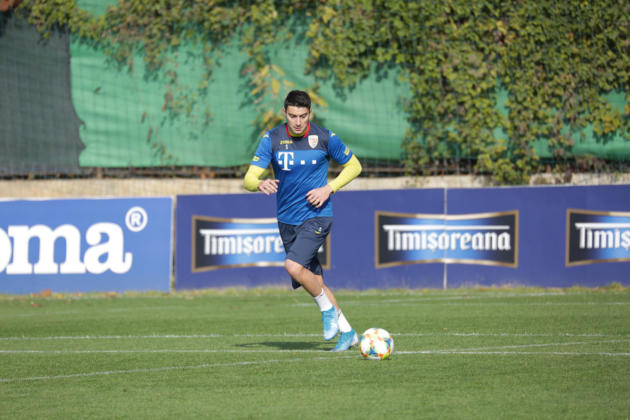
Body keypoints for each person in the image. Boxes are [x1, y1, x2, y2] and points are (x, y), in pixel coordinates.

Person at [243, 90, 362, 351]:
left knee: (293, 266)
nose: (298, 121)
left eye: (303, 116)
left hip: (317, 216)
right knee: (314, 280)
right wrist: (259, 184)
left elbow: (355, 166)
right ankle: (348, 332)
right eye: (293, 116)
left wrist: (329, 188)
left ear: (310, 113)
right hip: (287, 220)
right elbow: (248, 179)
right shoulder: (272, 139)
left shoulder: (325, 137)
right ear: (284, 113)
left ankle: (327, 311)